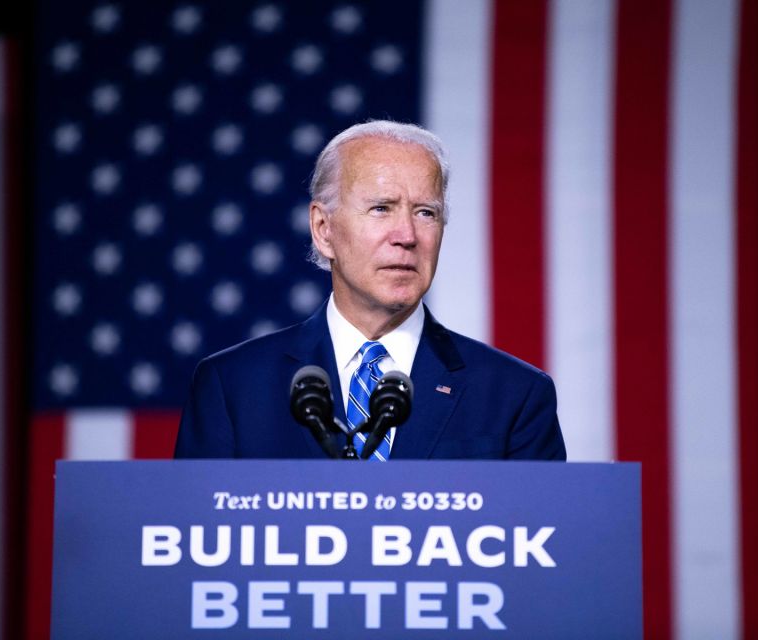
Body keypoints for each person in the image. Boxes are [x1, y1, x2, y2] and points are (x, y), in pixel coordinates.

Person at [174, 120, 566, 460]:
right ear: (323, 229)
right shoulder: (232, 386)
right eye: (381, 208)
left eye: (425, 212)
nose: (407, 235)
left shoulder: (515, 395)